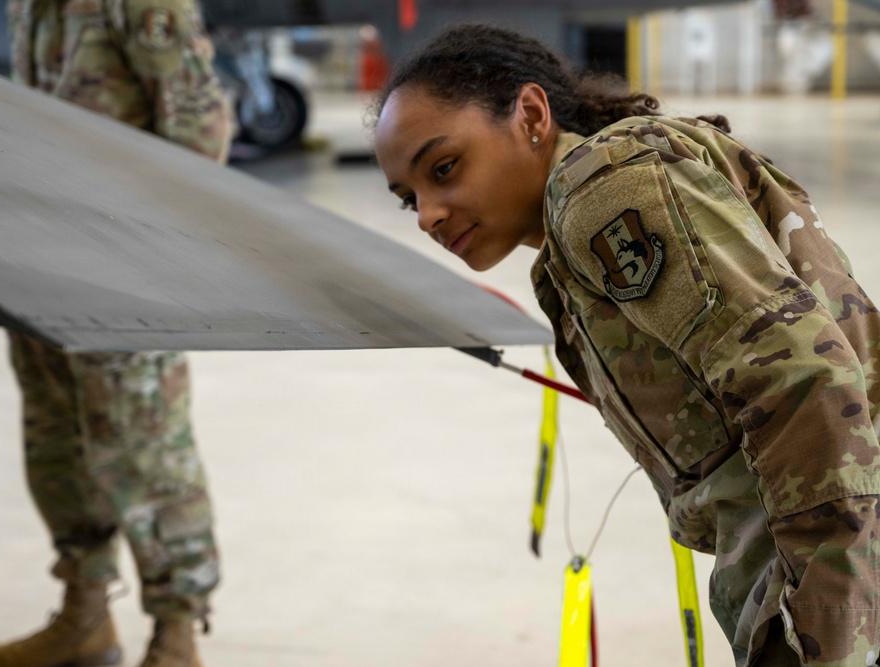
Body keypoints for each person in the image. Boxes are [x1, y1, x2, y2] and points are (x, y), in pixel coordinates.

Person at [372, 23, 880, 666]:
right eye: (407, 200)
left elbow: (802, 379)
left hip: (838, 581)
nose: (428, 215)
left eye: (444, 169)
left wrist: (830, 628)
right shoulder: (577, 229)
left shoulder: (600, 189)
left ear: (530, 113)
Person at [0, 2, 233, 667]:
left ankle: (177, 637)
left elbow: (200, 126)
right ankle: (85, 613)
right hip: (40, 255)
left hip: (124, 265)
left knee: (146, 447)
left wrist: (160, 259)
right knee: (56, 437)